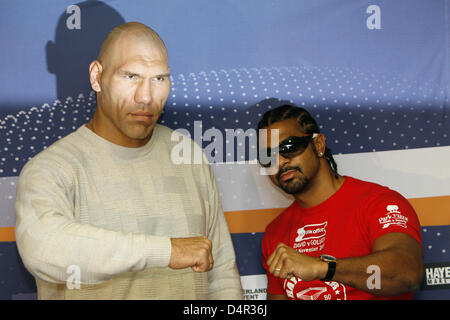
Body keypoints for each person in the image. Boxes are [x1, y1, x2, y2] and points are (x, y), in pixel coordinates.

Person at [14, 22, 243, 300]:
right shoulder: (51, 168)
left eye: (159, 78)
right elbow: (44, 249)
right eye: (131, 76)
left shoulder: (188, 154)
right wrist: (167, 251)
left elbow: (221, 274)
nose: (145, 97)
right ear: (97, 76)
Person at [257, 104, 423, 300]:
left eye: (289, 147)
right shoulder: (275, 232)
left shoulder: (379, 204)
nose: (279, 162)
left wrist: (323, 268)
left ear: (318, 145)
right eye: (267, 157)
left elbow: (406, 274)